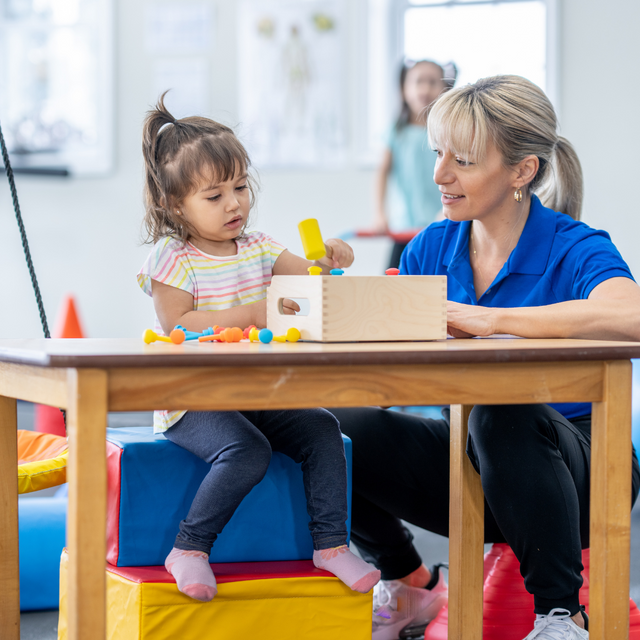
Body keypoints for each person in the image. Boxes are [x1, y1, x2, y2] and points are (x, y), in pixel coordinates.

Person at [333, 75, 640, 640]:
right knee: (332, 431)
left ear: (522, 172)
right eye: (437, 155)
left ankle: (560, 617)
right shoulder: (432, 246)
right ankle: (411, 583)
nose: (439, 176)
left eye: (463, 161)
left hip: (584, 467)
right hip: (470, 458)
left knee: (502, 408)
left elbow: (632, 315)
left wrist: (488, 321)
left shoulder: (575, 246)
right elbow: (389, 342)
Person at [136, 95, 380, 603]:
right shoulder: (173, 258)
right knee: (248, 451)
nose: (235, 204)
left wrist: (333, 258)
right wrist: (247, 315)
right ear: (173, 204)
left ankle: (331, 545)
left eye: (241, 187)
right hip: (192, 397)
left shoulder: (262, 248)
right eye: (214, 195)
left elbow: (315, 281)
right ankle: (189, 548)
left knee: (322, 427)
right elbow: (176, 322)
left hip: (254, 393)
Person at [373, 59, 455, 270]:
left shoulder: (446, 133)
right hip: (404, 229)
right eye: (418, 82)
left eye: (432, 82)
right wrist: (380, 214)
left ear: (445, 90)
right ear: (404, 88)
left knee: (437, 284)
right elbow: (383, 172)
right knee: (392, 286)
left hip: (440, 226)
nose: (425, 89)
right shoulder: (396, 132)